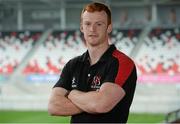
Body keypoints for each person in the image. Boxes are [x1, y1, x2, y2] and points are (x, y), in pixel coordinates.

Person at [48, 2, 137, 123]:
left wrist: (72, 94)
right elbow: (54, 106)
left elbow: (101, 105)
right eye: (87, 23)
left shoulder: (122, 63)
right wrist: (91, 103)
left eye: (99, 24)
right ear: (81, 27)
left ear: (109, 27)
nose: (92, 29)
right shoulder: (72, 65)